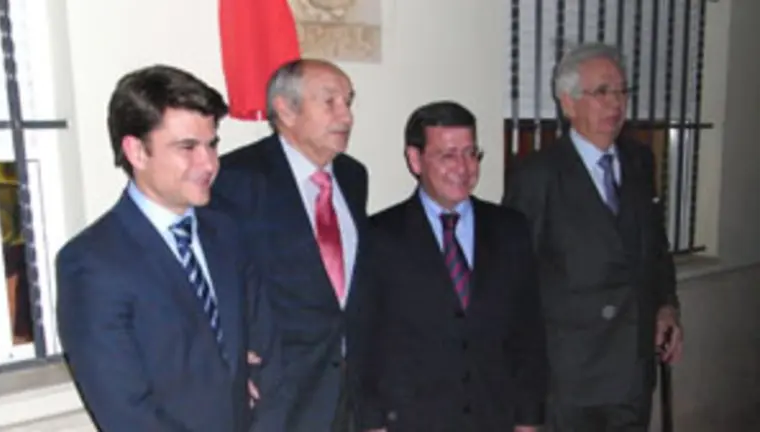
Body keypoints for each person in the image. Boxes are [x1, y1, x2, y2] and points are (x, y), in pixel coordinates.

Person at [57, 65, 254, 431]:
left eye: (212, 144)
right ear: (136, 151)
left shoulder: (225, 232)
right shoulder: (91, 262)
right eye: (187, 147)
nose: (209, 163)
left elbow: (255, 351)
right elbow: (126, 413)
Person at [503, 42, 684, 431]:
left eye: (621, 91)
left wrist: (667, 306)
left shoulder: (639, 161)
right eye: (602, 92)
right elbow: (512, 281)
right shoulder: (537, 176)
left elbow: (655, 249)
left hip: (633, 372)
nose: (616, 103)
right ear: (568, 103)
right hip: (569, 379)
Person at [349, 101, 548, 432]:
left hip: (493, 416)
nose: (464, 167)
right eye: (448, 155)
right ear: (415, 159)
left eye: (471, 153)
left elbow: (528, 333)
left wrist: (529, 419)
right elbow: (367, 342)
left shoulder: (511, 228)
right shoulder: (379, 235)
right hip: (413, 419)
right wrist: (372, 424)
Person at [211, 58, 368, 432]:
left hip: (352, 386)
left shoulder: (353, 175)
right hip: (279, 391)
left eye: (348, 101)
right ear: (285, 109)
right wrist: (232, 360)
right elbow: (220, 277)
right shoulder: (236, 179)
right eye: (330, 102)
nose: (346, 116)